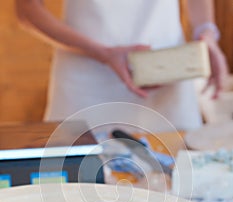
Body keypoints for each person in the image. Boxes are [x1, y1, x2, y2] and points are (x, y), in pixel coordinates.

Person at [15, 0, 228, 131]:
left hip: (167, 72)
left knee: (179, 187)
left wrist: (207, 33)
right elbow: (27, 9)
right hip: (86, 80)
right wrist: (102, 54)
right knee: (77, 189)